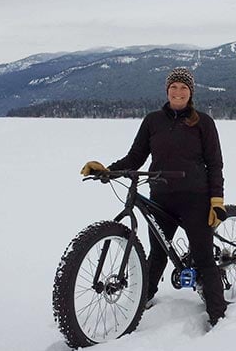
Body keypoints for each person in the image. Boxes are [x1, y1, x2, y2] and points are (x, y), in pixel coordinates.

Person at [80, 67, 228, 326]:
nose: (178, 92)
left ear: (190, 92)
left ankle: (218, 315)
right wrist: (108, 170)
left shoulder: (203, 122)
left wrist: (217, 200)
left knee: (203, 255)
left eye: (183, 87)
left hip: (196, 196)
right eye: (174, 87)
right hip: (161, 196)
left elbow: (215, 164)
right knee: (157, 252)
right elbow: (135, 157)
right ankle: (144, 298)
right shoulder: (153, 121)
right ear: (167, 90)